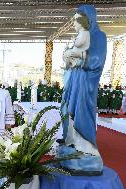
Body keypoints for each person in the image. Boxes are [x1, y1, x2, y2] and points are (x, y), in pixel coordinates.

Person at [58, 5, 107, 175]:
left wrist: (77, 56)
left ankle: (87, 148)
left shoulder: (99, 37)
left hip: (86, 84)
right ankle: (72, 142)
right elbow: (73, 62)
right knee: (67, 109)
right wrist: (68, 59)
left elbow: (96, 61)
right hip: (75, 82)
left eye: (76, 20)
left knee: (82, 112)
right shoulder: (81, 36)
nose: (74, 24)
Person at [62, 13, 90, 87]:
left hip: (79, 58)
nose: (74, 26)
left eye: (75, 25)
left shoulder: (84, 33)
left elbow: (78, 44)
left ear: (80, 24)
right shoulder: (81, 34)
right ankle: (67, 65)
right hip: (77, 57)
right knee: (67, 53)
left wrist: (74, 41)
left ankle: (68, 65)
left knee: (68, 54)